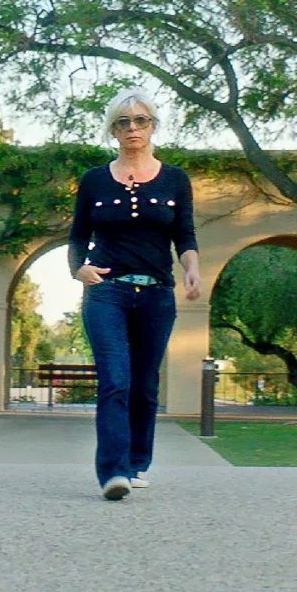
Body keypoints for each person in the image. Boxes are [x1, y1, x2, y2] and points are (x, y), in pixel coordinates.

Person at [69, 88, 201, 501]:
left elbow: (185, 234)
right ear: (113, 130)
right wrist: (79, 269)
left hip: (157, 295)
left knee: (144, 384)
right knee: (115, 380)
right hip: (107, 292)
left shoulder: (176, 179)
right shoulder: (93, 179)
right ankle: (113, 472)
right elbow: (77, 237)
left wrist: (192, 269)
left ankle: (138, 461)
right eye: (124, 122)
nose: (132, 129)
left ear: (153, 126)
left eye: (140, 120)